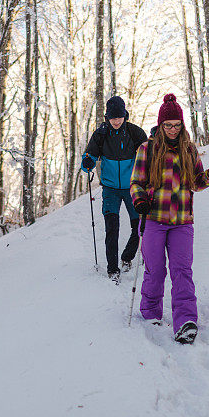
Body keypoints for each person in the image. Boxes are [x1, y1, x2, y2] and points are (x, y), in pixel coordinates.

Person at [129, 93, 209, 344]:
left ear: (182, 125)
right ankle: (150, 313)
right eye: (168, 125)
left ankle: (185, 320)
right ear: (160, 125)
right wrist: (139, 199)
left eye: (177, 125)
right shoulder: (146, 149)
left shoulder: (189, 150)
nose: (172, 129)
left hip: (182, 220)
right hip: (153, 219)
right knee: (155, 270)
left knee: (182, 271)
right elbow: (136, 182)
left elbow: (195, 183)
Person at [81, 96, 148, 281]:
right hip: (110, 188)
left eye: (119, 117)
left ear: (124, 116)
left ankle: (127, 257)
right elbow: (89, 155)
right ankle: (112, 269)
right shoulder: (101, 134)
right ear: (107, 117)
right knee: (112, 228)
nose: (116, 121)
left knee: (140, 226)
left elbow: (149, 152)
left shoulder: (134, 132)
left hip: (132, 188)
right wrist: (87, 162)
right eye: (113, 118)